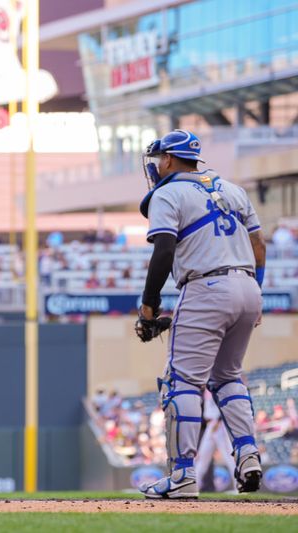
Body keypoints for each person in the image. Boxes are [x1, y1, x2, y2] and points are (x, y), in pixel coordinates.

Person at [135, 129, 266, 499]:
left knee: (182, 382)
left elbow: (163, 251)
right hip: (247, 287)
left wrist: (149, 306)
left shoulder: (167, 192)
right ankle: (247, 454)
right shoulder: (233, 189)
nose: (158, 164)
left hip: (206, 285)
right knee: (228, 378)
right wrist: (257, 291)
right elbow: (259, 246)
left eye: (160, 158)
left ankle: (181, 476)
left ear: (171, 159)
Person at [195, 390, 237, 493]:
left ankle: (239, 487)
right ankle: (194, 487)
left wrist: (218, 420)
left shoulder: (217, 386)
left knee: (229, 457)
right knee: (202, 457)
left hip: (219, 424)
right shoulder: (205, 390)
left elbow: (224, 405)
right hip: (210, 425)